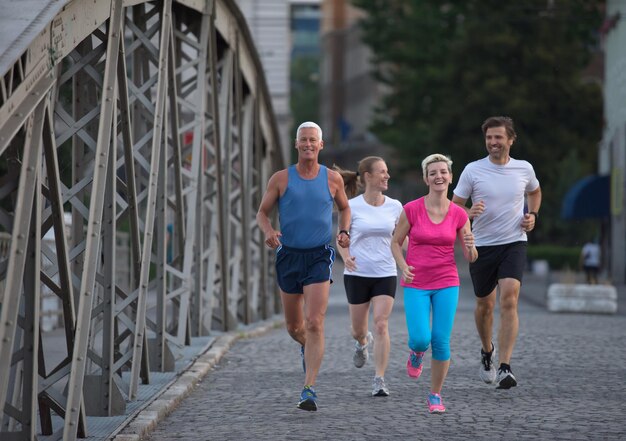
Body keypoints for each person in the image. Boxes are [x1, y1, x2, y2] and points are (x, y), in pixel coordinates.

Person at [256, 121, 351, 412]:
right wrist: (269, 231)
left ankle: (309, 388)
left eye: (313, 140)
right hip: (289, 256)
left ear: (321, 145)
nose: (309, 144)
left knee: (314, 322)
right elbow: (262, 212)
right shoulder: (281, 179)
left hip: (320, 255)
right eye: (304, 140)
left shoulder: (333, 179)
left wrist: (344, 231)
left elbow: (345, 207)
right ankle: (306, 348)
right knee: (294, 326)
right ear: (296, 144)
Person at [452, 116, 542, 390]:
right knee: (485, 306)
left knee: (509, 299)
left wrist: (533, 214)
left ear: (511, 140)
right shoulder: (473, 170)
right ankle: (486, 351)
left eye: (498, 137)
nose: (493, 142)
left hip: (514, 242)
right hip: (482, 246)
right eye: (489, 138)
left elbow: (535, 192)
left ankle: (505, 366)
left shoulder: (524, 168)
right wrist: (468, 213)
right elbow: (454, 208)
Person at [391, 153, 478, 414]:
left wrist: (473, 248)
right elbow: (395, 242)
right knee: (420, 339)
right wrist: (403, 266)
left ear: (450, 177)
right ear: (426, 178)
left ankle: (435, 394)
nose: (438, 176)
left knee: (441, 340)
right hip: (416, 282)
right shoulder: (412, 209)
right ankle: (416, 353)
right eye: (433, 173)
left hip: (446, 281)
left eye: (443, 172)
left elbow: (470, 257)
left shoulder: (460, 215)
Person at [333, 157, 403, 397]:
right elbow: (341, 238)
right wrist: (346, 255)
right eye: (382, 172)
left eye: (387, 172)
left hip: (385, 272)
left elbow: (403, 237)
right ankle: (362, 342)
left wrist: (407, 260)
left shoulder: (395, 206)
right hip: (357, 273)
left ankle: (379, 379)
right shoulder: (351, 206)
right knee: (357, 329)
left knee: (382, 324)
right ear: (368, 177)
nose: (387, 176)